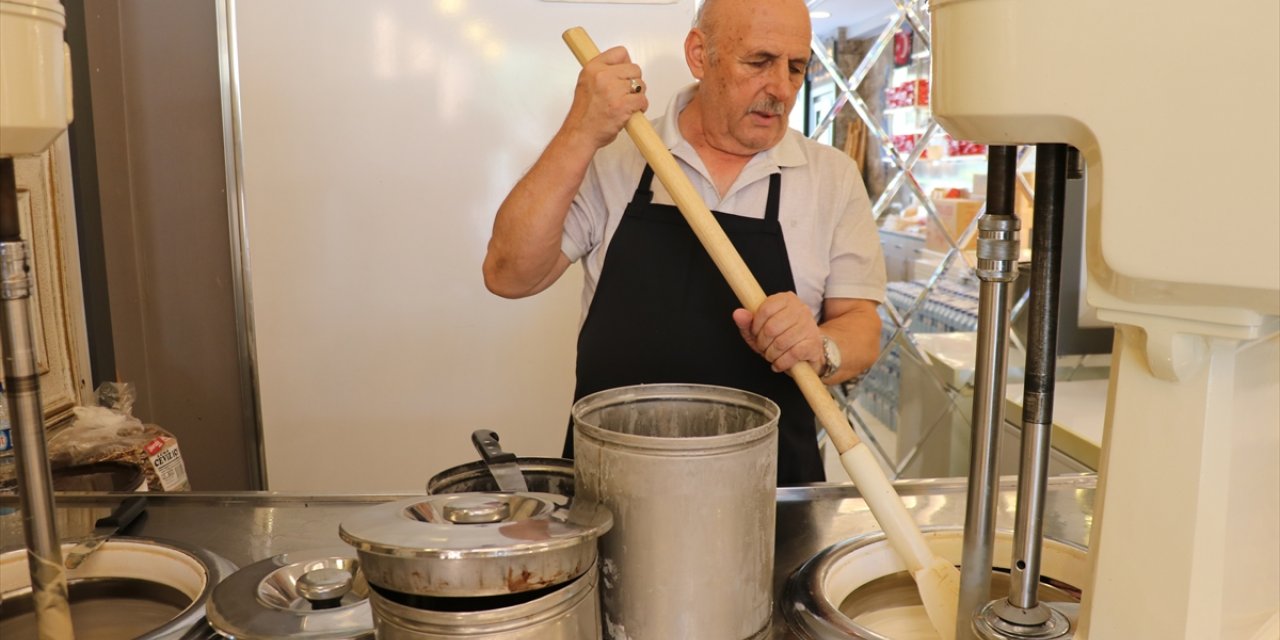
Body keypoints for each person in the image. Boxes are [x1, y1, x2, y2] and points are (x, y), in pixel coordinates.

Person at [482, 0, 886, 485]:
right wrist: (580, 130)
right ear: (699, 54)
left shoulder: (830, 178)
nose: (781, 88)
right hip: (614, 488)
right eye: (759, 62)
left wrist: (821, 346)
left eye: (795, 67)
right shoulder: (617, 158)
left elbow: (862, 327)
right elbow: (509, 274)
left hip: (770, 494)